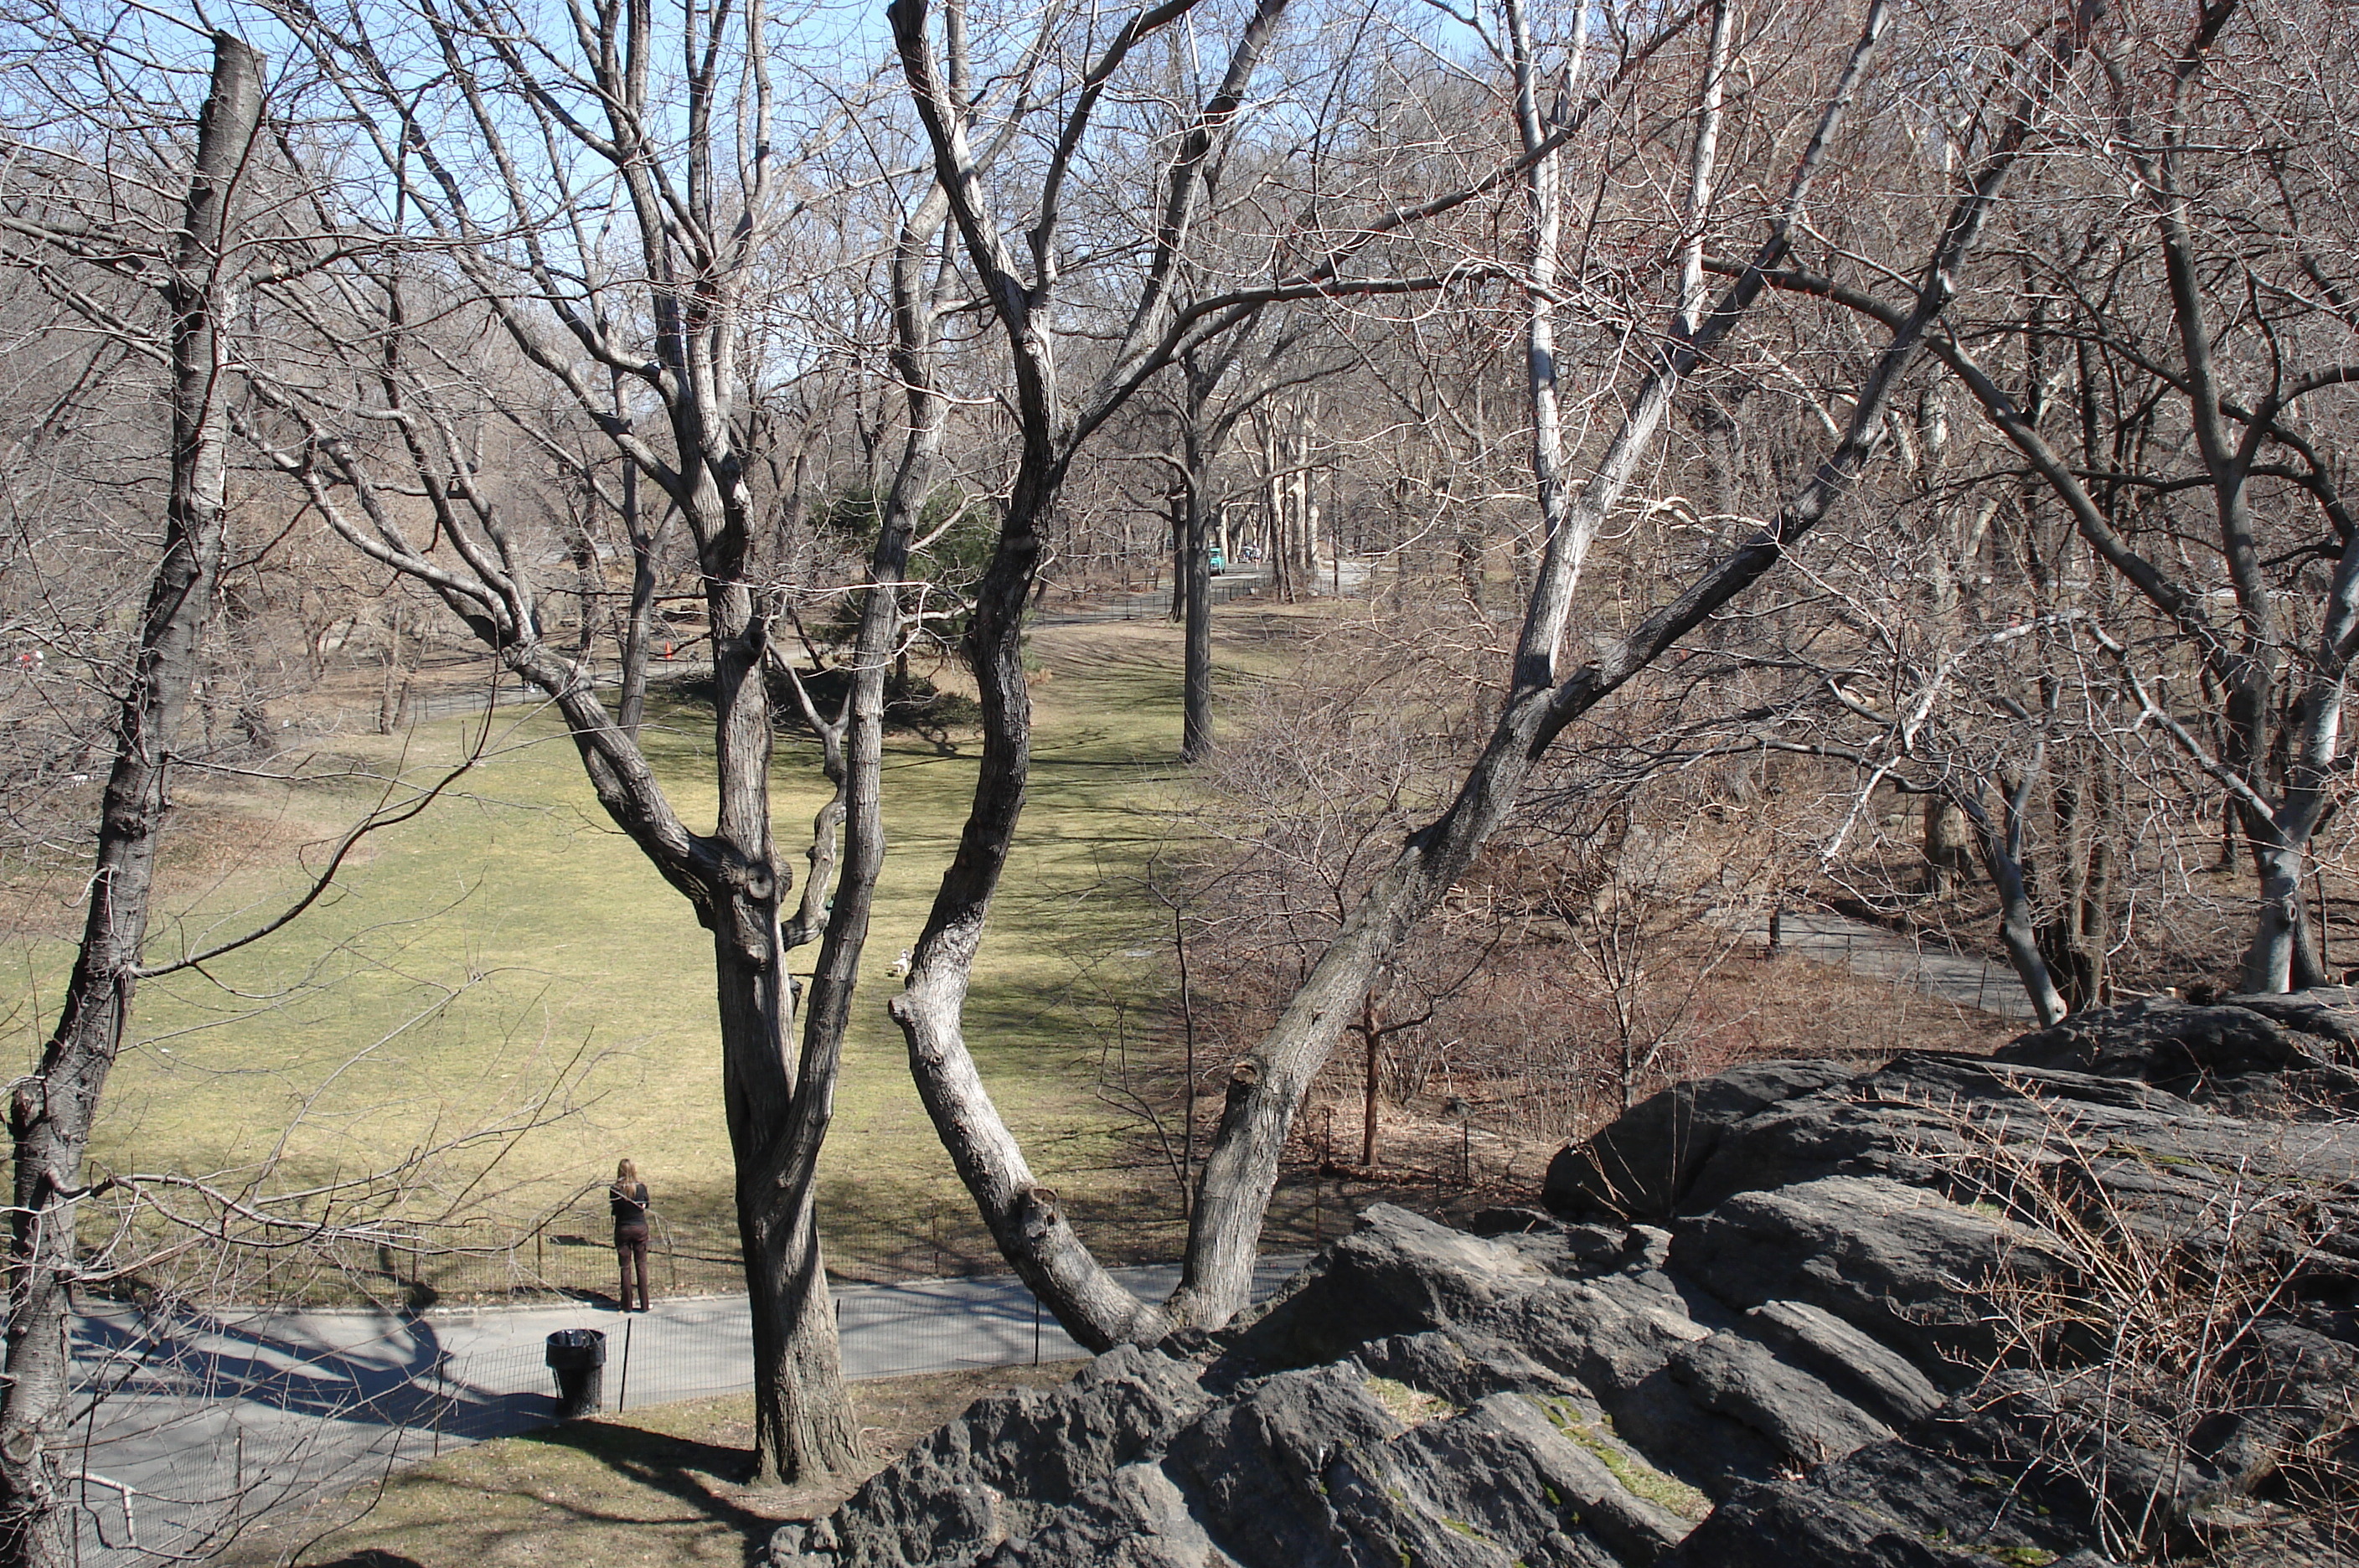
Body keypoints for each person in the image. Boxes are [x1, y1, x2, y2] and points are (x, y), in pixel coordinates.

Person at [609, 1158, 651, 1312]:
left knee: (625, 1268)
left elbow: (614, 1208)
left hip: (623, 1229)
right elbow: (646, 1205)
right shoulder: (641, 1188)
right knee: (641, 1265)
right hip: (639, 1228)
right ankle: (645, 1304)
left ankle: (626, 1305)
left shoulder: (615, 1189)